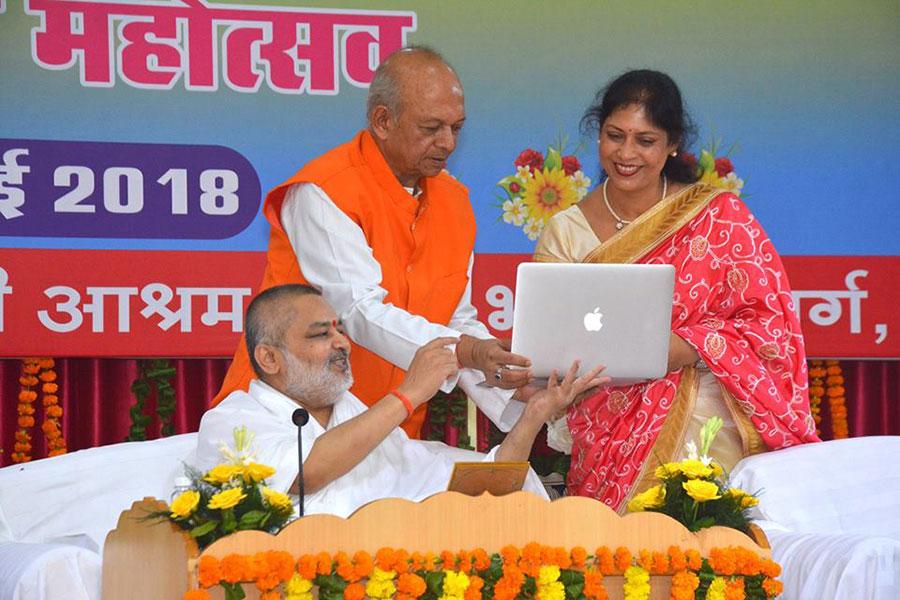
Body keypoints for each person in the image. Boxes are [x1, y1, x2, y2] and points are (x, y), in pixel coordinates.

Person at [533, 69, 820, 511]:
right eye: (615, 136)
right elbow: (549, 345)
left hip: (705, 410)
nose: (627, 153)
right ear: (597, 136)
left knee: (704, 549)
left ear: (671, 145)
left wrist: (684, 347)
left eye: (645, 141)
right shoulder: (564, 232)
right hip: (605, 421)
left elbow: (769, 323)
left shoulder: (718, 217)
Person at [213, 46, 531, 438]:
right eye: (431, 129)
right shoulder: (324, 190)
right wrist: (467, 351)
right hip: (293, 423)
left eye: (456, 128)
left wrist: (510, 383)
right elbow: (359, 312)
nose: (448, 143)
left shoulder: (455, 201)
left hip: (392, 428)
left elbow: (453, 320)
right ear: (383, 120)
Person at [196, 284, 606, 518]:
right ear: (268, 358)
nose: (341, 342)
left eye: (340, 331)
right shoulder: (232, 421)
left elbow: (487, 486)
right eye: (321, 334)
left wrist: (533, 416)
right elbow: (305, 474)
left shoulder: (359, 419)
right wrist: (410, 393)